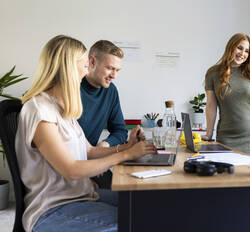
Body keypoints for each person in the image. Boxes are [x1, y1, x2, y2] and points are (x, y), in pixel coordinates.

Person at [15, 35, 156, 232]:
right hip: (53, 209)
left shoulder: (61, 108)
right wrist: (125, 155)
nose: (85, 72)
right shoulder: (39, 110)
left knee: (151, 209)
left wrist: (128, 146)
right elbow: (71, 170)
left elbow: (88, 151)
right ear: (68, 69)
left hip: (82, 196)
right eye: (83, 66)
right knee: (136, 223)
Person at [202, 33, 250, 155]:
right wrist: (209, 133)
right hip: (226, 138)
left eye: (247, 51)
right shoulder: (213, 73)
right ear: (231, 47)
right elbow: (211, 106)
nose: (242, 54)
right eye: (239, 48)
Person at [78, 40, 128, 189]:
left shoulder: (110, 91)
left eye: (117, 70)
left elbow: (120, 131)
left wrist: (105, 145)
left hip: (92, 159)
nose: (114, 75)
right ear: (92, 62)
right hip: (73, 166)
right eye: (110, 68)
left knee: (125, 192)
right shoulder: (71, 89)